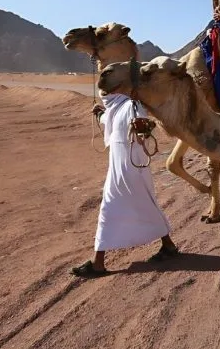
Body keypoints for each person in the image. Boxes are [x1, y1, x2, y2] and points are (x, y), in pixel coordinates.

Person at [71, 94, 178, 278]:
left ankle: (98, 263)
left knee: (109, 207)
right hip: (123, 164)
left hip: (129, 165)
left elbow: (141, 124)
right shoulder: (119, 107)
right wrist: (100, 115)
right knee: (144, 203)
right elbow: (114, 120)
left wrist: (144, 126)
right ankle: (168, 245)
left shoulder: (133, 104)